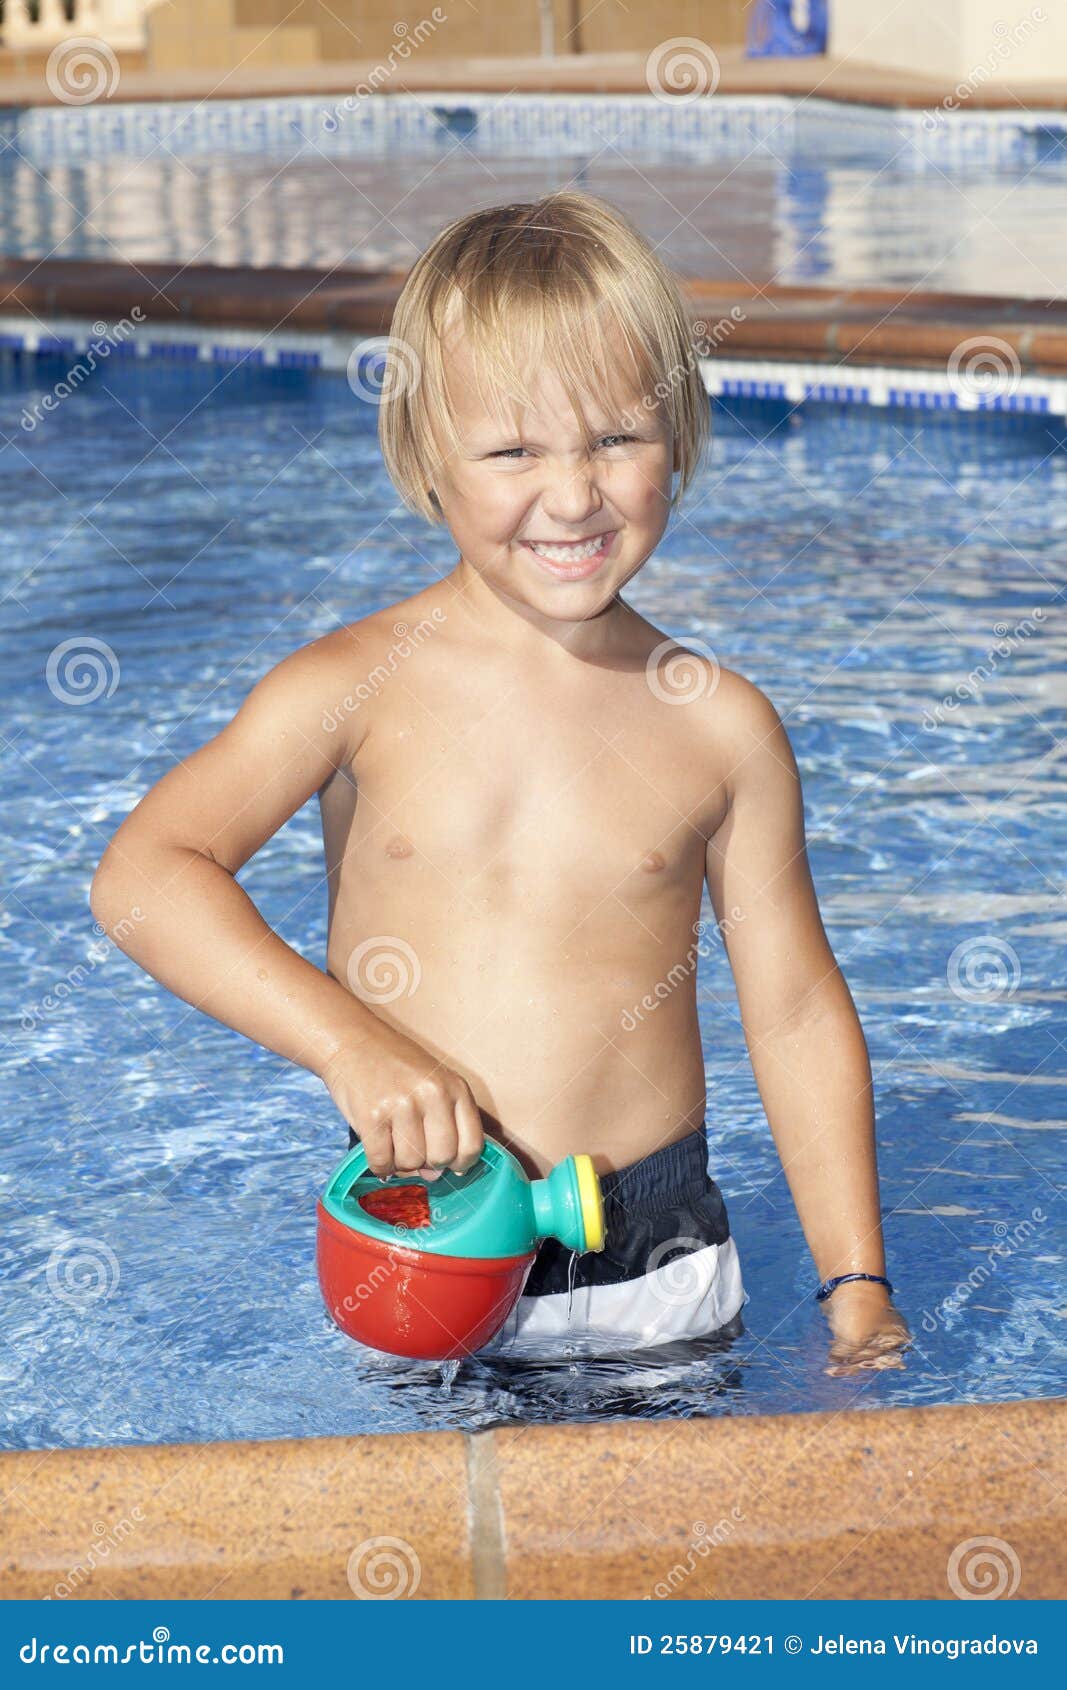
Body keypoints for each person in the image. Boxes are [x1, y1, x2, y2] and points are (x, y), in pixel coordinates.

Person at [90, 191, 910, 1377]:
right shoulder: (357, 686)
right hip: (424, 1241)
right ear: (428, 453)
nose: (572, 495)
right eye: (514, 449)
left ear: (676, 432)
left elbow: (789, 1014)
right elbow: (145, 877)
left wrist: (857, 1289)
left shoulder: (719, 726)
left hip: (657, 1256)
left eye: (616, 439)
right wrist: (347, 1047)